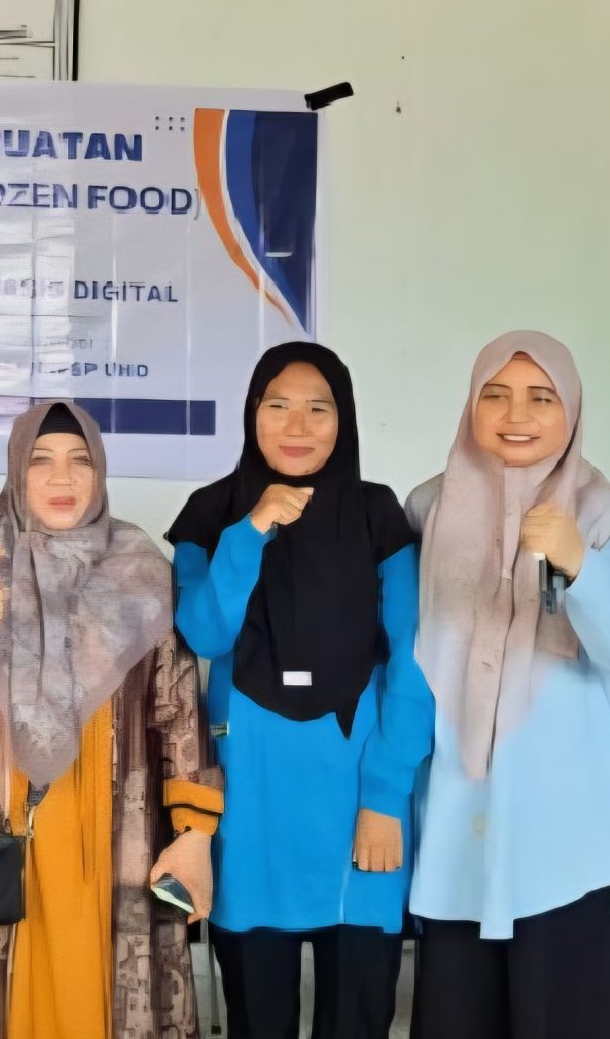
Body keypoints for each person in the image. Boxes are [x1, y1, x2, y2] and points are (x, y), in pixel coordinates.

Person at [0, 401, 220, 1039]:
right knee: (5, 994)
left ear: (99, 472)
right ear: (15, 471)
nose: (61, 477)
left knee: (98, 987)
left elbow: (179, 708)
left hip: (115, 822)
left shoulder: (140, 568)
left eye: (80, 461)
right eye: (40, 461)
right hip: (0, 818)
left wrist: (194, 834)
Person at [403, 332, 610, 1039]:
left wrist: (581, 564)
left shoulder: (607, 512)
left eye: (540, 397)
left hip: (571, 841)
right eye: (495, 395)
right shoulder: (428, 508)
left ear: (571, 410)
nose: (515, 414)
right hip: (457, 831)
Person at [167, 342, 428, 1039]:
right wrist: (252, 529)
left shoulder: (377, 514)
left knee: (359, 1017)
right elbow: (205, 633)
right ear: (252, 412)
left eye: (319, 408)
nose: (297, 425)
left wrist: (385, 799)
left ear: (345, 420)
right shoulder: (210, 512)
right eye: (278, 405)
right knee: (258, 1017)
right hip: (251, 804)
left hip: (360, 807)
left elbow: (413, 661)